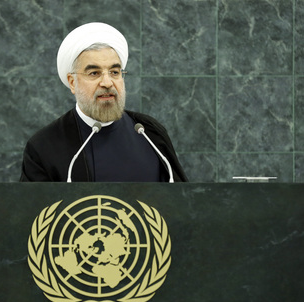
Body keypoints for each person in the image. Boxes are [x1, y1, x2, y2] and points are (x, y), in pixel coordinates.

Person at [20, 22, 188, 182]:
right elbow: (34, 210)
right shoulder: (44, 146)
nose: (107, 82)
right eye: (94, 73)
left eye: (114, 72)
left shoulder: (150, 133)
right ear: (72, 82)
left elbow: (182, 203)